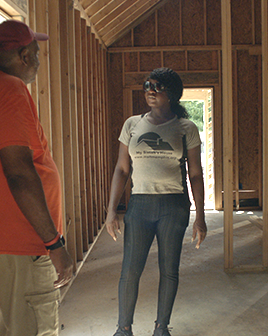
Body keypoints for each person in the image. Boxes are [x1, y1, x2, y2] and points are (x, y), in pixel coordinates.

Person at [0, 20, 74, 336]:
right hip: (20, 242)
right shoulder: (8, 89)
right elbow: (19, 171)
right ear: (23, 55)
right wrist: (54, 243)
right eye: (36, 53)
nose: (37, 61)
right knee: (36, 328)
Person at [104, 68, 208, 336]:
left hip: (173, 208)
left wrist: (200, 216)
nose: (150, 90)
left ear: (171, 93)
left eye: (157, 86)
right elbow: (122, 170)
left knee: (169, 270)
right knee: (130, 270)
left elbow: (195, 174)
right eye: (148, 85)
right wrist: (111, 210)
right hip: (139, 206)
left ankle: (162, 328)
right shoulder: (132, 124)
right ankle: (123, 329)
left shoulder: (186, 128)